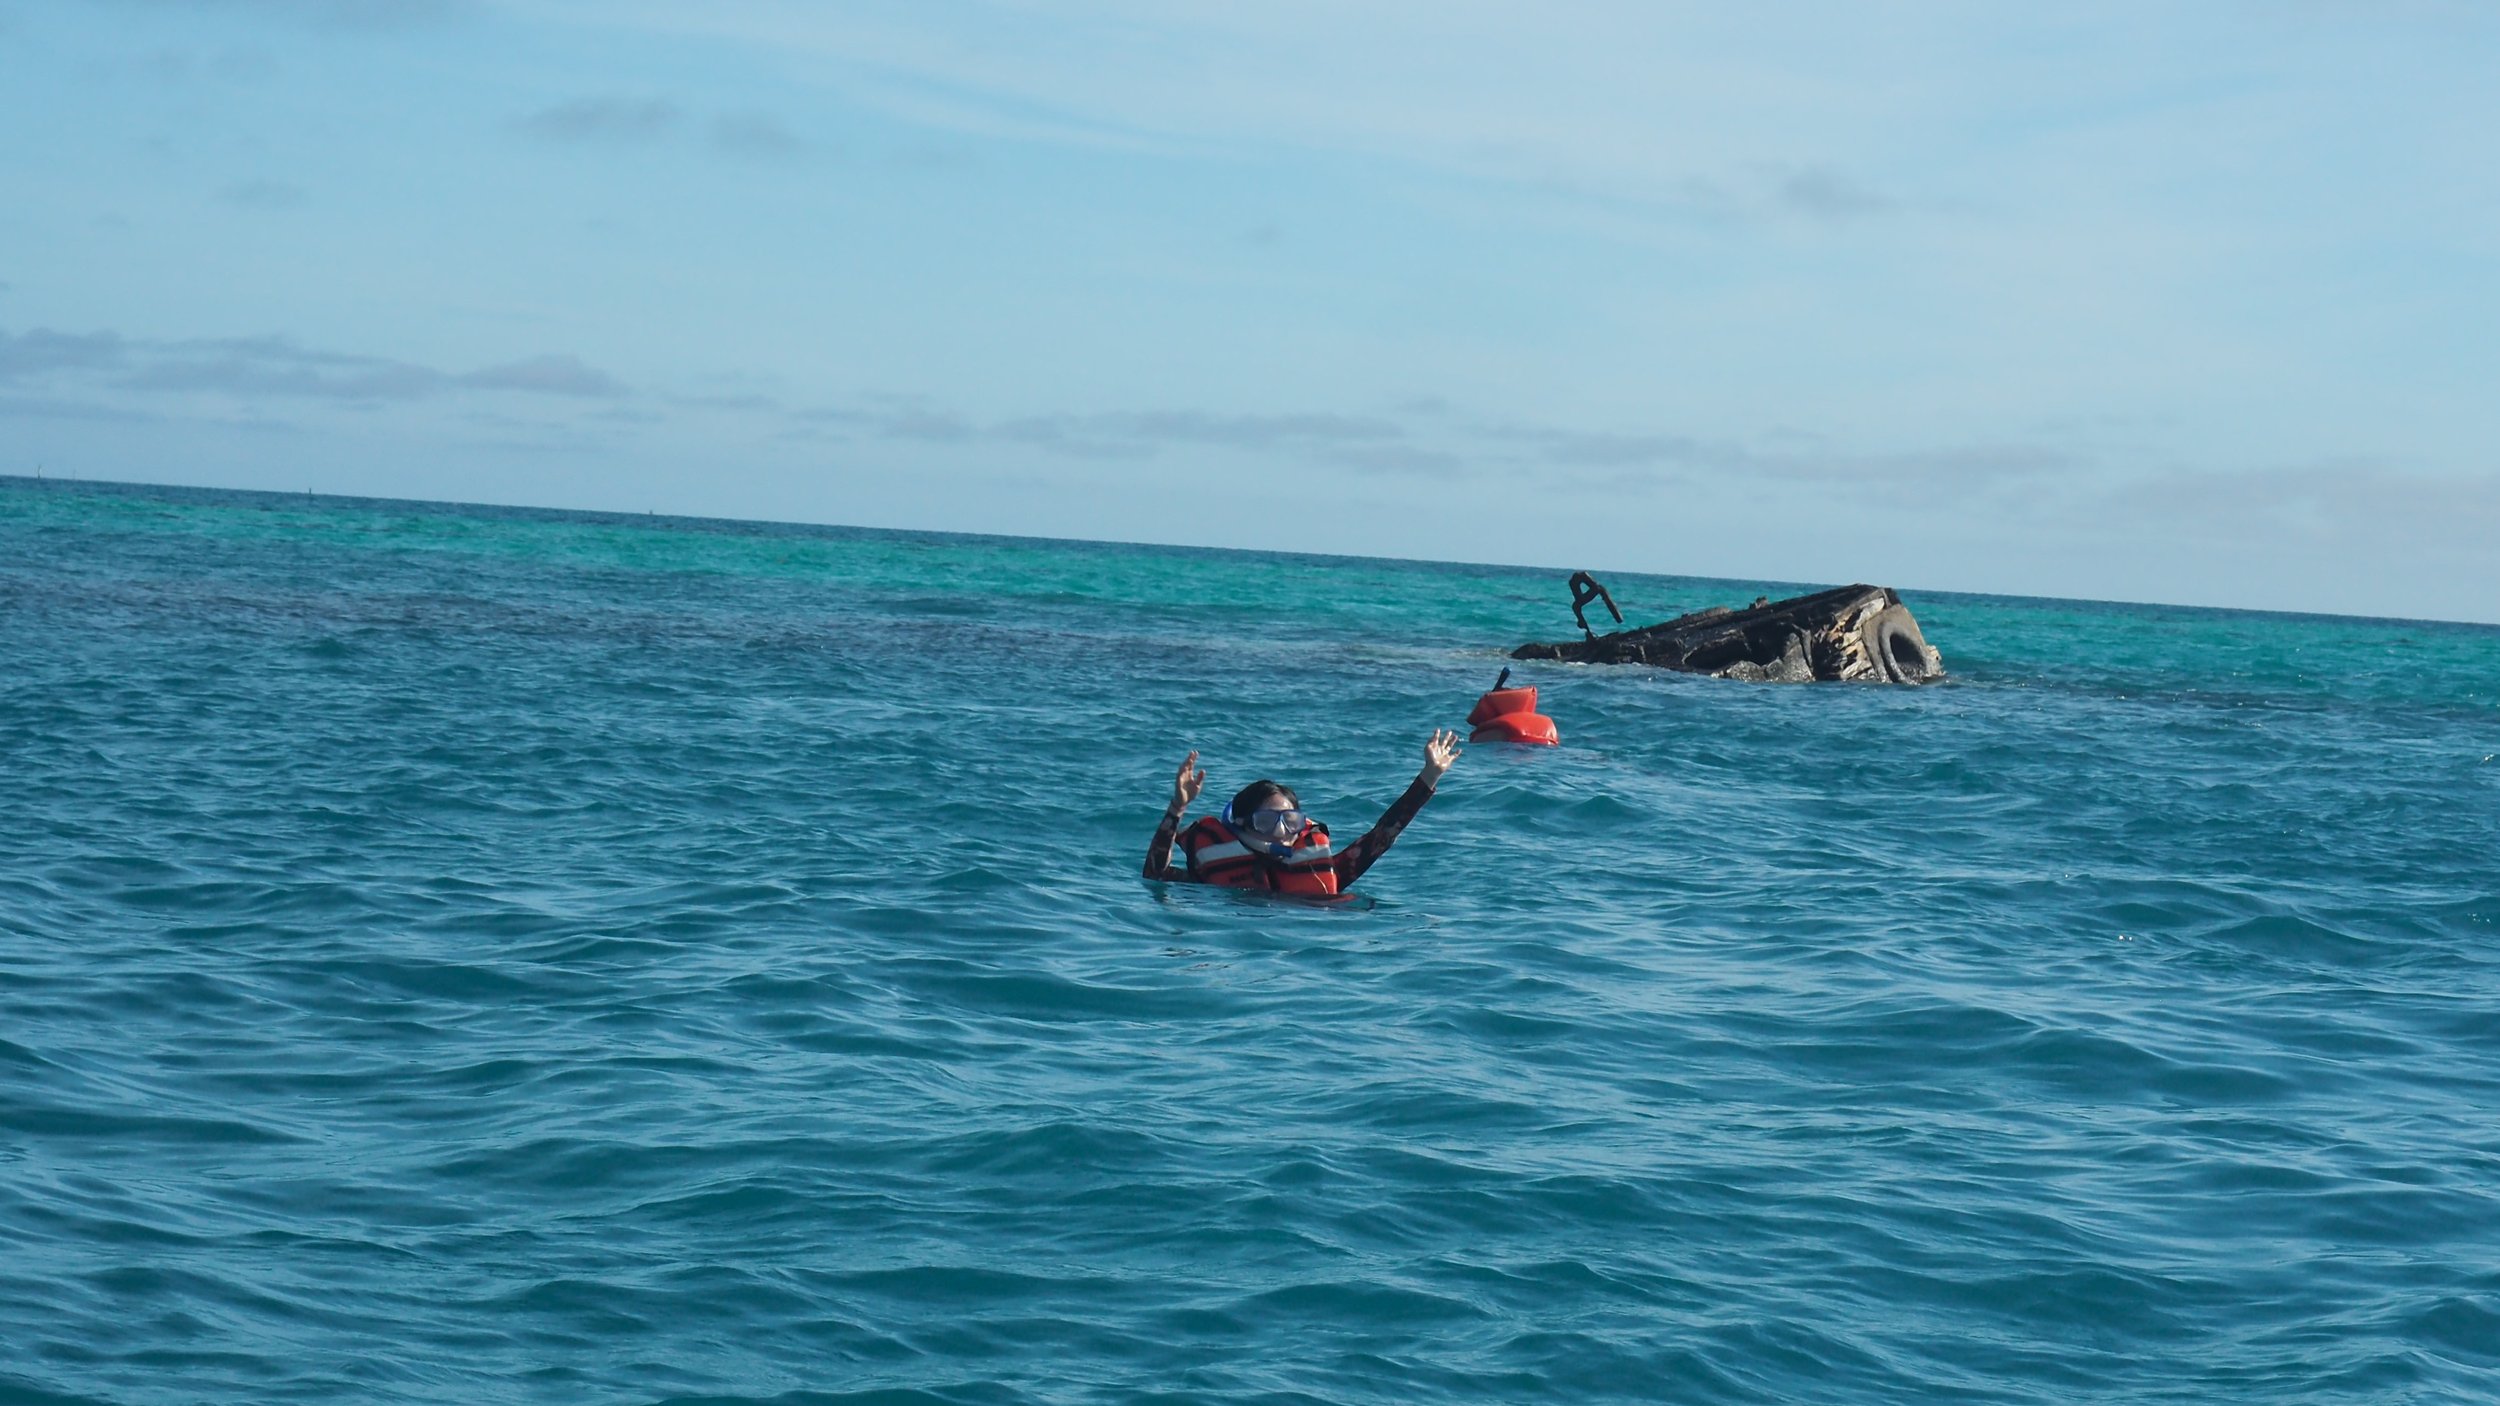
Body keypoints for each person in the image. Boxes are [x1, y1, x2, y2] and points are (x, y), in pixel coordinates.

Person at [1142, 730, 1462, 896]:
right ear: (1239, 825)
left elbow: (1383, 834)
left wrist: (1429, 777)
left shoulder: (1327, 871)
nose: (1281, 831)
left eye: (1290, 821)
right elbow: (1155, 876)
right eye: (1266, 822)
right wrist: (1177, 808)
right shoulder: (1209, 879)